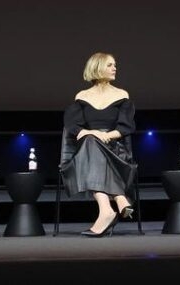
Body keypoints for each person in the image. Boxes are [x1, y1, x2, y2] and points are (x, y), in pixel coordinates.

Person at [61, 52, 137, 237]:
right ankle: (118, 199)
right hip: (88, 148)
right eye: (110, 65)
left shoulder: (121, 95)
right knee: (89, 143)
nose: (115, 68)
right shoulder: (82, 96)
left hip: (116, 151)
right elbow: (72, 126)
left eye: (115, 65)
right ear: (98, 67)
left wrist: (106, 135)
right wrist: (92, 133)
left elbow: (126, 127)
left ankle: (107, 210)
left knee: (91, 145)